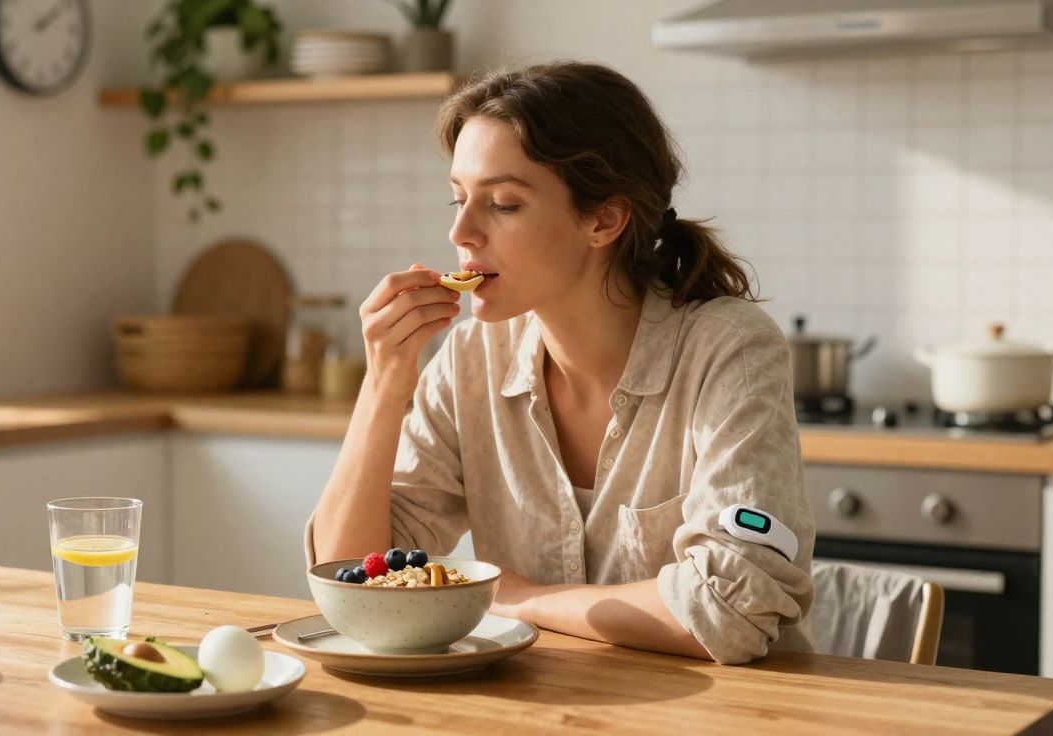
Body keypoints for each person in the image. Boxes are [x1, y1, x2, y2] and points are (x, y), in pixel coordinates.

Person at [306, 60, 814, 664]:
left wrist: (517, 600)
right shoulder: (470, 357)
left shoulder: (729, 349)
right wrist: (384, 385)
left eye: (503, 204)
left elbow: (732, 607)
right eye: (458, 199)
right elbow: (354, 586)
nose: (462, 233)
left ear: (603, 219)